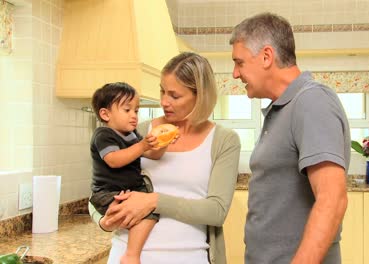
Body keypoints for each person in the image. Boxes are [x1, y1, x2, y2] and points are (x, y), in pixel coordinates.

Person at [89, 52, 241, 264]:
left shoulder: (224, 140)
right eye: (162, 91)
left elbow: (216, 212)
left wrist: (153, 201)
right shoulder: (138, 133)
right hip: (127, 256)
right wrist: (103, 221)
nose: (163, 102)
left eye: (174, 96)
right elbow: (99, 189)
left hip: (189, 256)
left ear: (200, 96)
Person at [229, 13, 350, 264]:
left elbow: (333, 199)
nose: (234, 74)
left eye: (239, 63)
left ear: (266, 57)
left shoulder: (311, 101)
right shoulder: (283, 107)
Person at [89, 82, 166, 264]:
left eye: (136, 111)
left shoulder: (132, 135)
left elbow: (153, 155)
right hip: (107, 193)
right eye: (127, 110)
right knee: (144, 214)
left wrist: (164, 141)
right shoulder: (104, 134)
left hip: (131, 192)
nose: (134, 116)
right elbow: (114, 160)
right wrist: (142, 145)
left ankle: (131, 251)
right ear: (105, 114)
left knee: (151, 211)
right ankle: (131, 255)